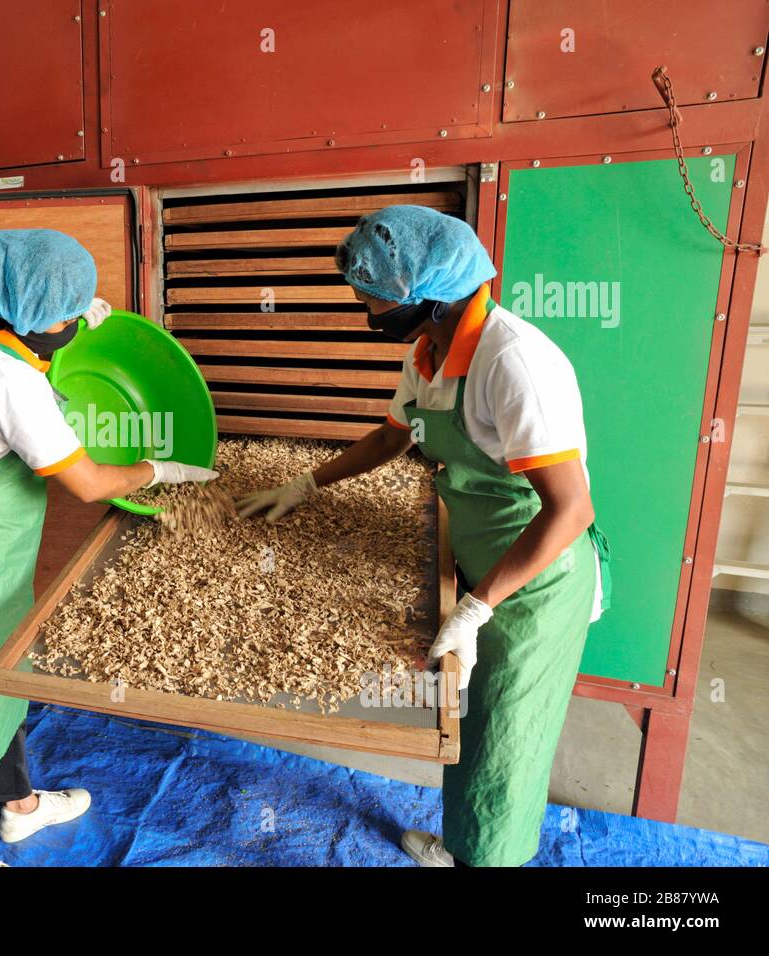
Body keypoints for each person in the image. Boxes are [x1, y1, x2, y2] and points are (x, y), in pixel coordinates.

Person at [236, 205, 610, 868]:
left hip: (531, 584)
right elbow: (393, 434)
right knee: (466, 727)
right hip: (477, 558)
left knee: (506, 742)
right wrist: (306, 484)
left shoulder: (513, 362)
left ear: (428, 294)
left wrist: (478, 606)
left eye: (373, 298)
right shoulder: (430, 348)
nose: (365, 310)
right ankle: (460, 846)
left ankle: (484, 858)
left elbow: (570, 510)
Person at [0, 228, 218, 867]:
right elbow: (88, 483)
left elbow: (33, 353)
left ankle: (18, 806)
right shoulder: (8, 382)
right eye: (64, 314)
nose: (74, 322)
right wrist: (154, 470)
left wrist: (78, 321)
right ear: (24, 318)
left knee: (5, 669)